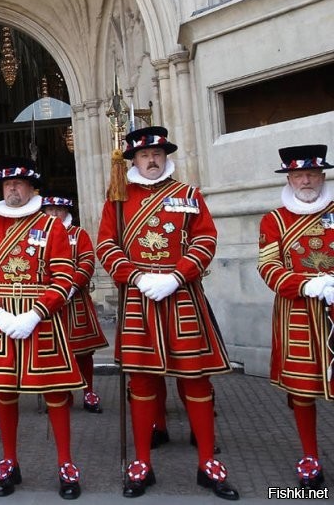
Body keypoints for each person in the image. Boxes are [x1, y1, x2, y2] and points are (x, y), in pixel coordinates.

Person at [96, 127, 239, 500]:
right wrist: (136, 275)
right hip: (139, 298)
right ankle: (142, 462)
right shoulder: (117, 199)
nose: (152, 159)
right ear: (134, 160)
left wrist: (178, 275)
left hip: (182, 297)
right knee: (142, 382)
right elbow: (106, 244)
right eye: (145, 155)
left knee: (195, 379)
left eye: (158, 153)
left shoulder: (188, 195)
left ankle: (208, 461)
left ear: (166, 156)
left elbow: (206, 238)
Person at [0, 160, 84, 499]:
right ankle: (9, 461)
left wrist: (35, 313)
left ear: (32, 188)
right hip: (1, 320)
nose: (12, 190)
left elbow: (64, 276)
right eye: (6, 185)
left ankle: (65, 462)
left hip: (42, 320)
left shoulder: (51, 226)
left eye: (19, 184)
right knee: (5, 393)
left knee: (56, 394)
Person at [257, 144, 334, 491]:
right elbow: (267, 266)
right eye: (300, 175)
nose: (307, 180)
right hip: (298, 316)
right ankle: (310, 456)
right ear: (289, 177)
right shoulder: (274, 219)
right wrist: (306, 285)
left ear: (323, 176)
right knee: (302, 391)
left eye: (313, 174)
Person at [41, 194, 108, 413]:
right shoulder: (39, 235)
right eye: (49, 210)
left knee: (83, 351)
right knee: (56, 352)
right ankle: (63, 392)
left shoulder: (78, 234)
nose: (52, 214)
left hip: (75, 301)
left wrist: (70, 287)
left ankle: (88, 390)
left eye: (57, 210)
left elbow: (87, 261)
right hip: (50, 304)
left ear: (66, 211)